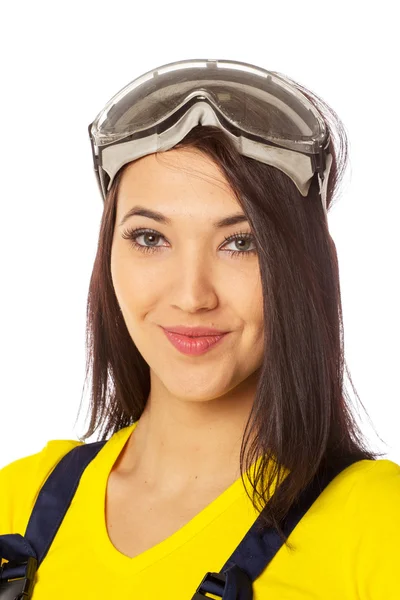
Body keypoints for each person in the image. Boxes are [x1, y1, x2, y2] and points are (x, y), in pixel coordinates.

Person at [1, 58, 399, 599]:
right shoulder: (17, 505)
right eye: (149, 238)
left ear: (306, 267)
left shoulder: (378, 526)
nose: (192, 296)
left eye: (241, 242)